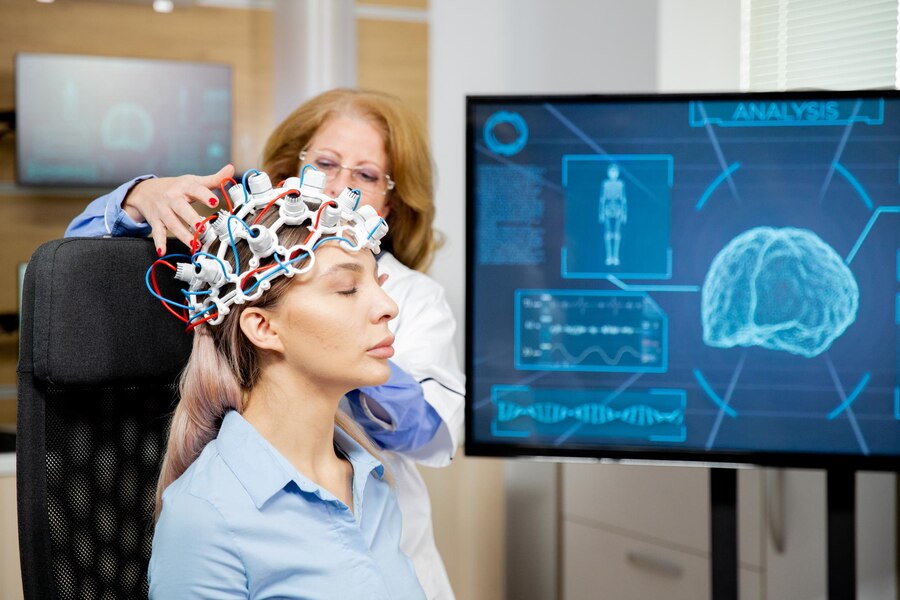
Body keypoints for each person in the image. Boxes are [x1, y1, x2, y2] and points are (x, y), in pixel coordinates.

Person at [66, 88, 465, 600]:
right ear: (285, 174)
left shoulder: (373, 484)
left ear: (390, 199)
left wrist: (346, 346)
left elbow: (433, 433)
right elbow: (73, 279)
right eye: (324, 163)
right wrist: (134, 200)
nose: (339, 184)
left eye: (366, 174)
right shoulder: (242, 264)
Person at [146, 190, 425, 598]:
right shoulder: (206, 516)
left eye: (378, 284)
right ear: (263, 327)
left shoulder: (373, 482)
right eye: (347, 288)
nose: (388, 307)